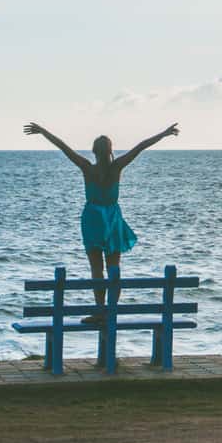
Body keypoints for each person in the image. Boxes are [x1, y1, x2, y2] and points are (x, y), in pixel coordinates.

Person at [23, 121, 179, 320]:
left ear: (93, 152)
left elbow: (64, 147)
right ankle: (111, 309)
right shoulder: (117, 167)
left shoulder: (87, 167)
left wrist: (43, 131)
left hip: (93, 219)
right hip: (113, 219)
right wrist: (163, 134)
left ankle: (100, 311)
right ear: (110, 151)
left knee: (96, 268)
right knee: (114, 268)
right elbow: (141, 146)